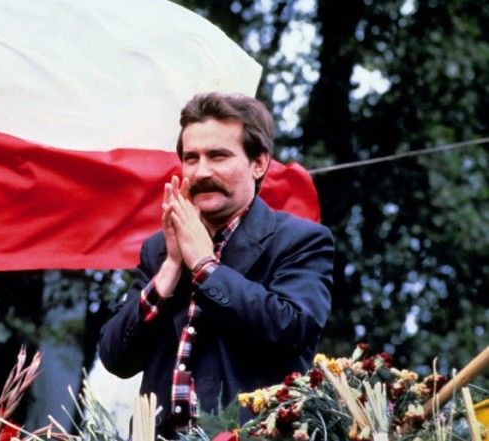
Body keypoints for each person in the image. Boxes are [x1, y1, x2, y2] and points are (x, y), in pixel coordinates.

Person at [98, 92, 334, 437]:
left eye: (218, 156)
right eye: (191, 158)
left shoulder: (301, 240)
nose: (202, 171)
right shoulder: (158, 250)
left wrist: (205, 265)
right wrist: (171, 267)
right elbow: (116, 358)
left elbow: (289, 330)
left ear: (259, 164)